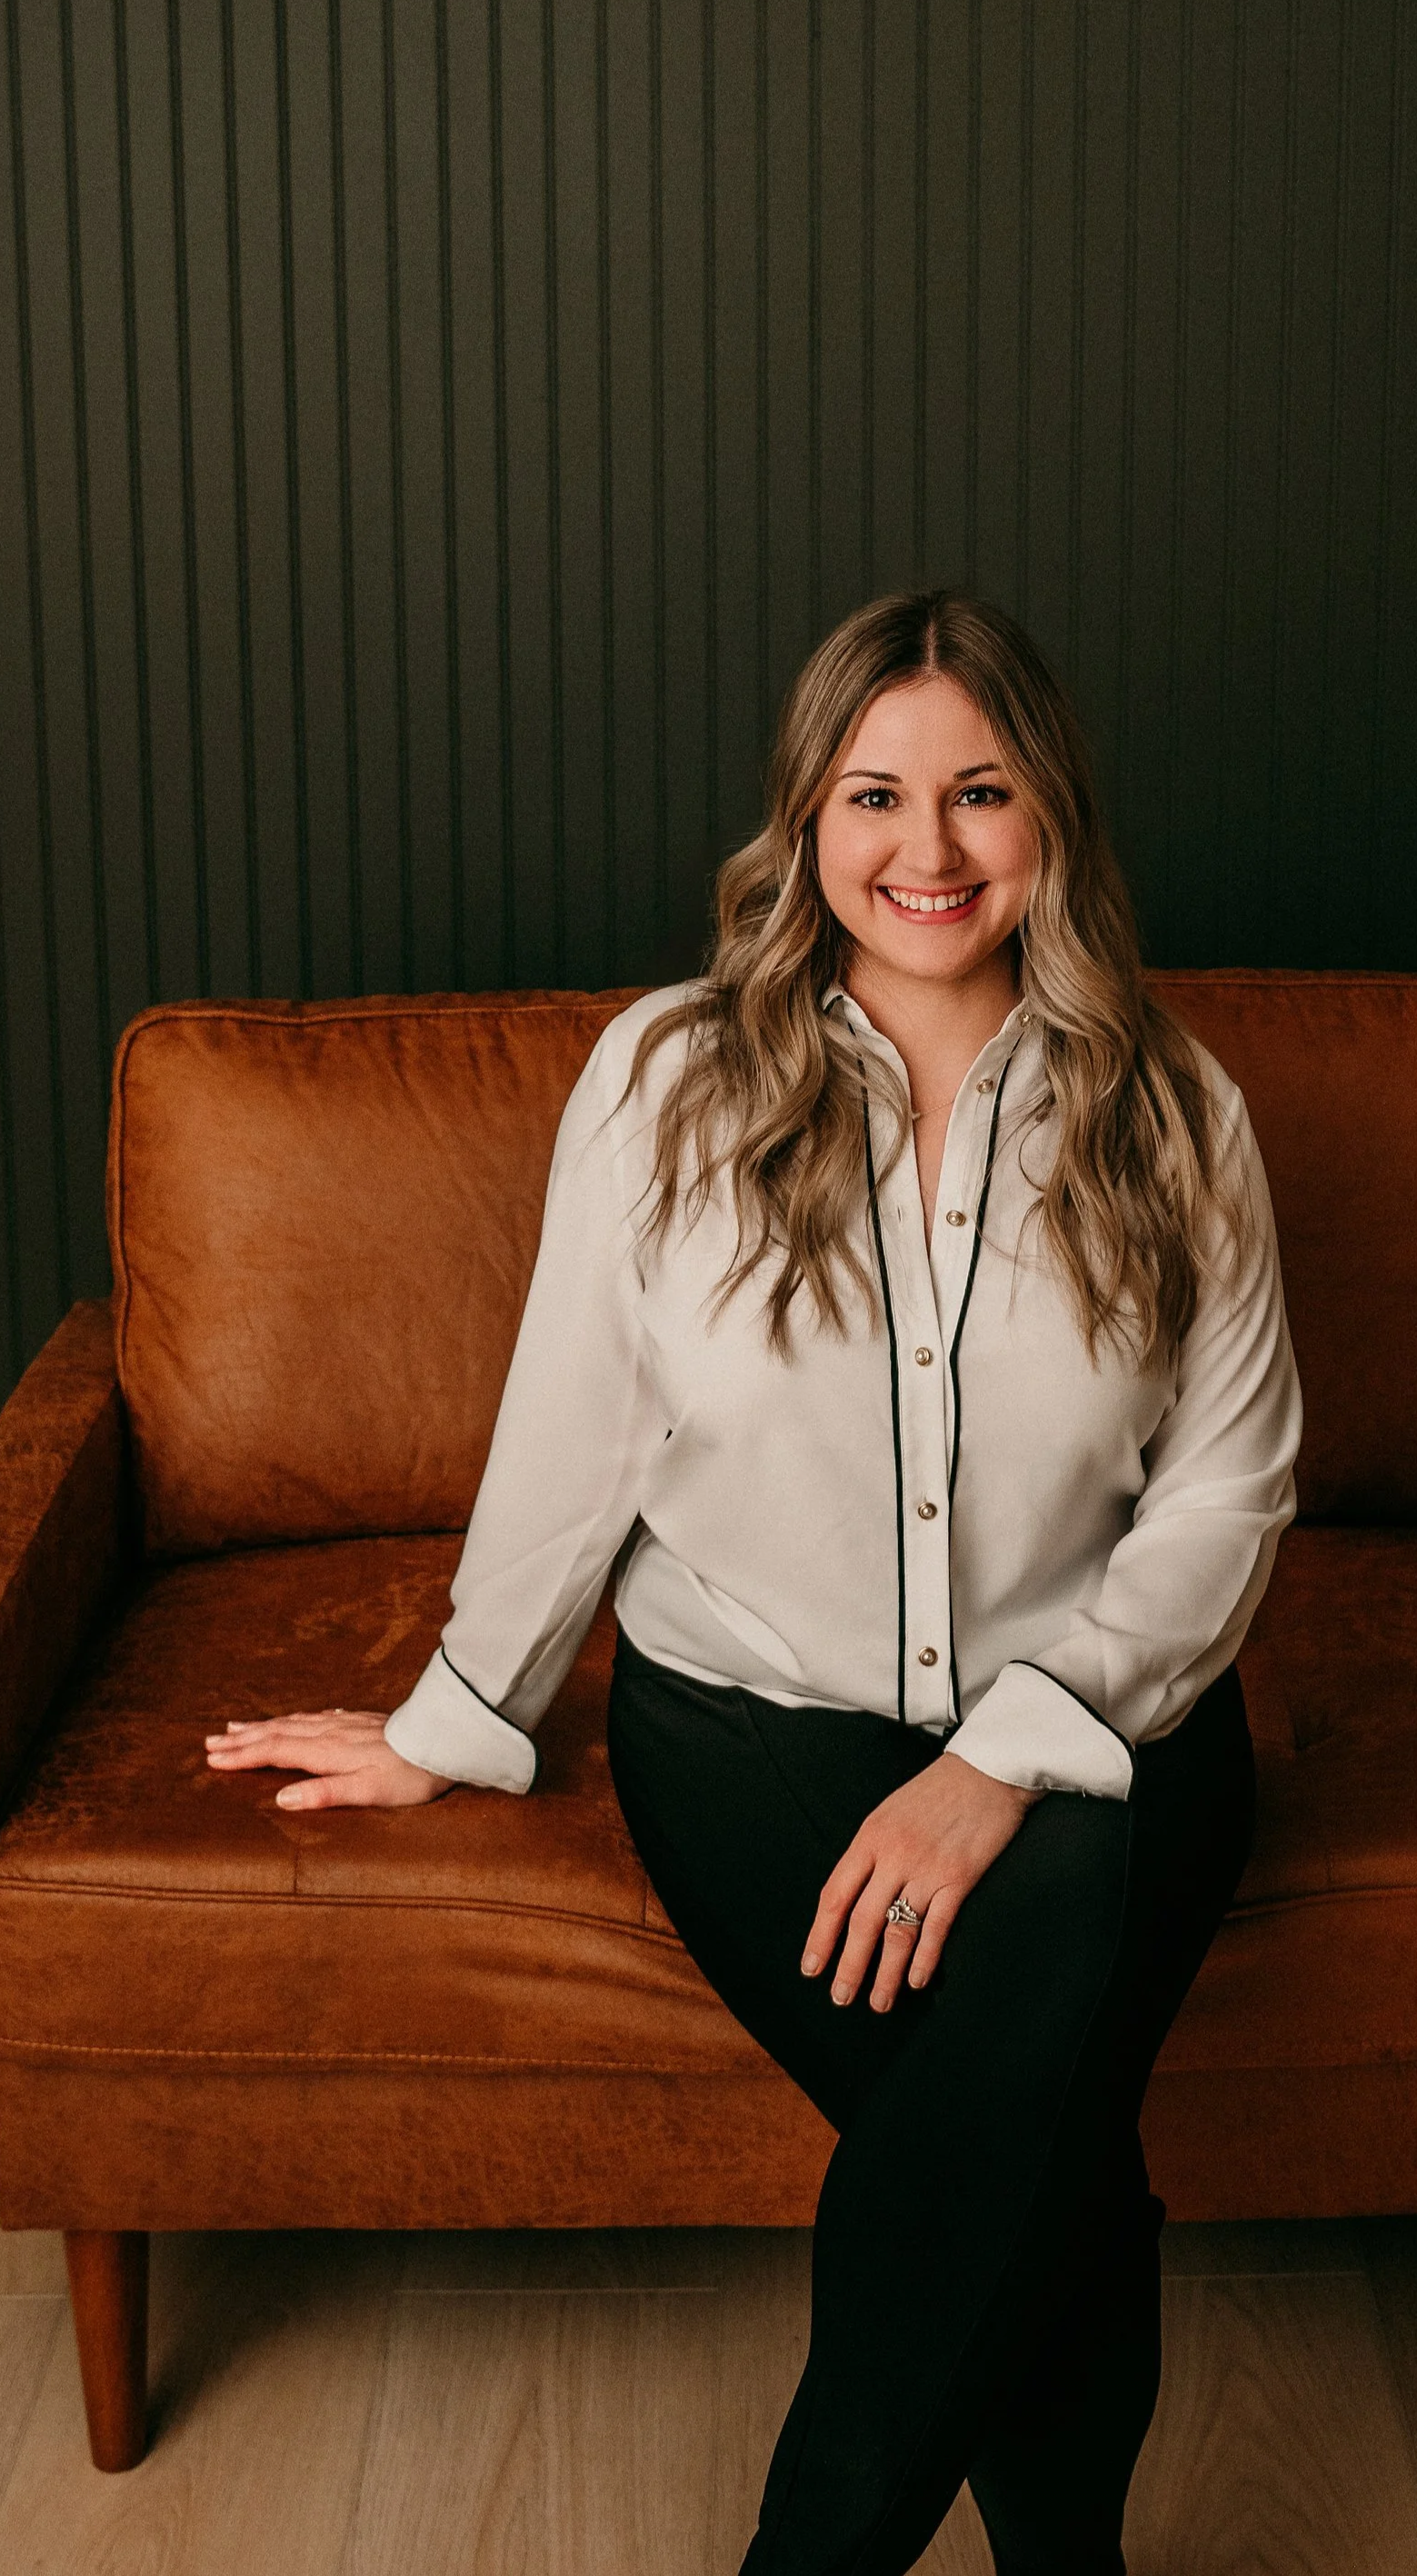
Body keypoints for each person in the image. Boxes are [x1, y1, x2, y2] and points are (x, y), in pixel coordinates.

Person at [204, 588, 1303, 2574]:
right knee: (1051, 2172)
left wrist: (1005, 1760)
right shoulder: (665, 1085)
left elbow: (1230, 1493)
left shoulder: (1176, 1108)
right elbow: (574, 1431)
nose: (932, 850)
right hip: (744, 1733)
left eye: (982, 793)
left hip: (1103, 1734)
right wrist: (458, 1716)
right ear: (805, 820)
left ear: (1050, 814)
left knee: (1046, 1980)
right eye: (876, 794)